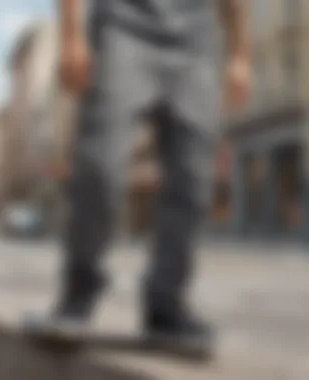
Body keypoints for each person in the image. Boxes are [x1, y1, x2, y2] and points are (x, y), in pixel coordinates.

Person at [53, 0, 251, 343]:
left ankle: (166, 302)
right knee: (100, 165)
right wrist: (71, 35)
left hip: (197, 39)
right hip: (122, 25)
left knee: (193, 178)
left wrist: (240, 55)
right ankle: (78, 293)